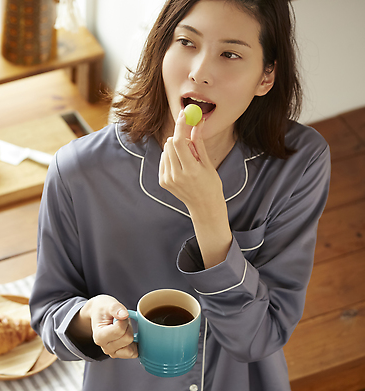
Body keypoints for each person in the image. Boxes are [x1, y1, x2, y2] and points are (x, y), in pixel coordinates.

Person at [29, 0, 331, 390]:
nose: (199, 71)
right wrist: (90, 318)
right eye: (186, 42)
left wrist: (209, 214)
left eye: (230, 53)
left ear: (265, 77)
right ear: (161, 49)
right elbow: (49, 312)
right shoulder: (77, 171)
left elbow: (263, 336)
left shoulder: (299, 163)